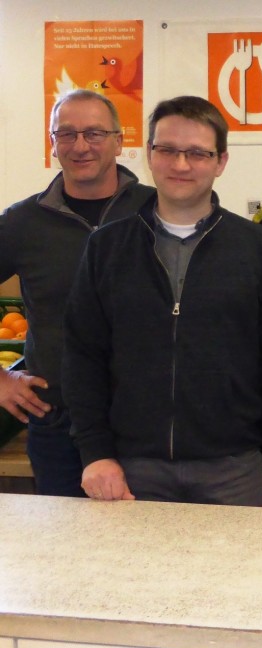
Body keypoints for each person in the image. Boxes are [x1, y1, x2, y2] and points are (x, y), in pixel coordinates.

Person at [61, 96, 262, 506]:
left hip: (234, 469)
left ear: (221, 162)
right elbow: (83, 356)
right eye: (168, 150)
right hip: (130, 468)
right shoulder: (106, 247)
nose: (180, 165)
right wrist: (95, 453)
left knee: (240, 571)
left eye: (197, 153)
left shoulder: (260, 248)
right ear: (149, 155)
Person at [0, 89, 154, 497]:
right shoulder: (21, 222)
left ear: (120, 141)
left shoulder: (158, 211)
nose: (80, 145)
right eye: (66, 134)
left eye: (95, 133)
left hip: (151, 420)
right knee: (66, 551)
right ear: (53, 143)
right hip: (56, 422)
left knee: (155, 548)